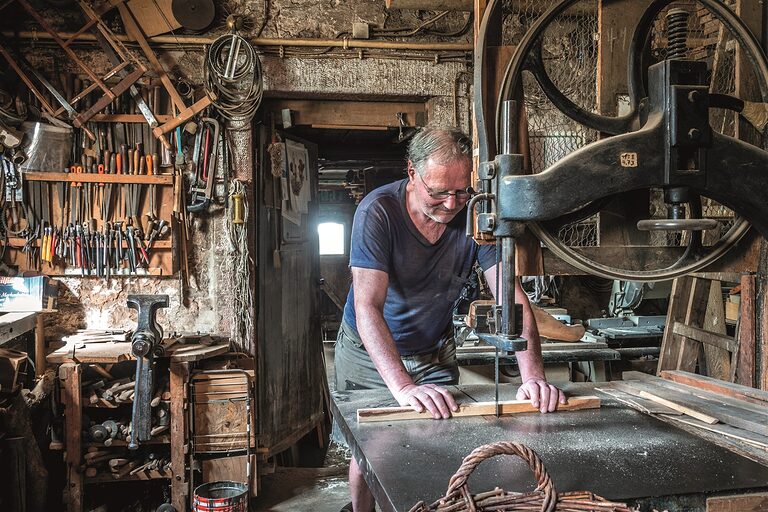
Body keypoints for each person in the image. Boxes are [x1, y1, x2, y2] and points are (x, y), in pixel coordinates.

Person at [334, 127, 566, 512]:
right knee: (370, 453)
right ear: (412, 172)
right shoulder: (378, 212)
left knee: (442, 438)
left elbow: (513, 297)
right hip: (367, 350)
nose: (450, 204)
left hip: (434, 347)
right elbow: (367, 307)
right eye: (438, 192)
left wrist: (533, 378)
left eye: (461, 191)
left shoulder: (476, 214)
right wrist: (403, 387)